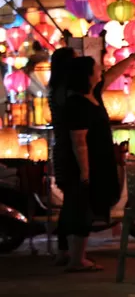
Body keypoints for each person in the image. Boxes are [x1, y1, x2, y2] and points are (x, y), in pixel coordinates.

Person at [55, 49, 135, 271]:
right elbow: (79, 142)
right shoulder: (76, 103)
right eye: (96, 69)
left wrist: (133, 58)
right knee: (80, 207)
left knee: (81, 206)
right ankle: (76, 259)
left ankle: (72, 255)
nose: (100, 71)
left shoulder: (92, 94)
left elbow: (112, 74)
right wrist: (85, 171)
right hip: (82, 163)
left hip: (96, 161)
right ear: (86, 75)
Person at [48, 46, 76, 265]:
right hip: (69, 149)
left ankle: (64, 247)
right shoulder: (66, 91)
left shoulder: (56, 89)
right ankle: (65, 248)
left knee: (70, 201)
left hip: (61, 148)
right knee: (72, 202)